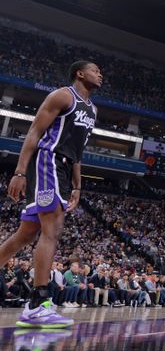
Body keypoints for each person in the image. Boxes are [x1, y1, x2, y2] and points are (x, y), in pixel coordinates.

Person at [0, 61, 101, 329]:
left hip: (65, 169)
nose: (99, 74)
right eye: (95, 69)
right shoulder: (63, 95)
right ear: (80, 73)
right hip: (48, 161)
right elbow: (35, 132)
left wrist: (78, 186)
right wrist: (20, 172)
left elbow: (78, 152)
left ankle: (37, 305)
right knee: (51, 231)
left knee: (27, 234)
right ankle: (38, 304)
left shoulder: (92, 109)